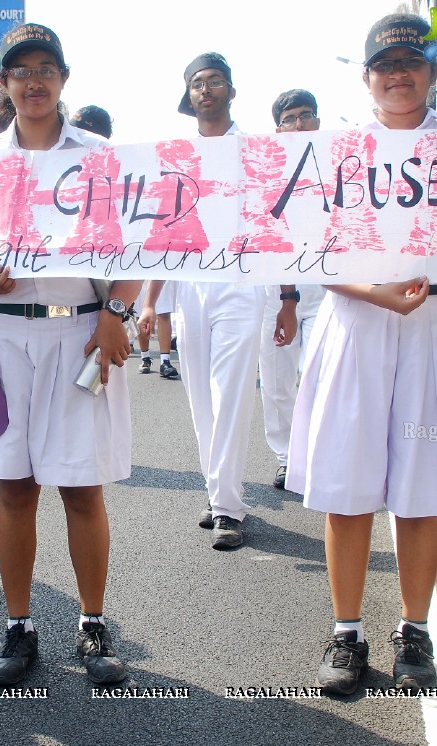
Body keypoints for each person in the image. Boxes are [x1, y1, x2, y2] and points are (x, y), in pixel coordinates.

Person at [289, 13, 437, 694]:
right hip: (359, 320)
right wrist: (375, 293)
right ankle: (346, 632)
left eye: (410, 62)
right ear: (365, 79)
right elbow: (312, 252)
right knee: (348, 487)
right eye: (383, 64)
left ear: (431, 73)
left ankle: (413, 632)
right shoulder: (336, 153)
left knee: (422, 490)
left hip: (436, 322)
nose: (397, 74)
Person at [0, 23, 138, 687]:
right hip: (5, 336)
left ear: (62, 78)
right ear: (5, 83)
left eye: (44, 68)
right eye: (19, 70)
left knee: (82, 488)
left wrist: (115, 312)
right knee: (15, 487)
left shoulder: (102, 158)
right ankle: (17, 625)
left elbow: (137, 246)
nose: (32, 80)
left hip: (80, 332)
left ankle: (91, 622)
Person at [139, 53, 297, 550]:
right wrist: (149, 301)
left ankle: (227, 508)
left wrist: (287, 298)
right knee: (201, 400)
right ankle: (217, 493)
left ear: (231, 91)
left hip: (242, 284)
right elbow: (162, 229)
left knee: (230, 393)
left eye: (215, 82)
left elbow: (280, 223)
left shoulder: (257, 151)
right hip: (190, 287)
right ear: (188, 96)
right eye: (197, 84)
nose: (205, 90)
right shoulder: (175, 154)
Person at [262, 89, 327, 490]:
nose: (300, 124)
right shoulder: (265, 171)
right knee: (277, 380)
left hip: (328, 287)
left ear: (318, 120)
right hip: (274, 289)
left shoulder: (341, 166)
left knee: (322, 375)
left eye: (307, 115)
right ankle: (287, 457)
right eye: (290, 119)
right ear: (278, 128)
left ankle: (320, 454)